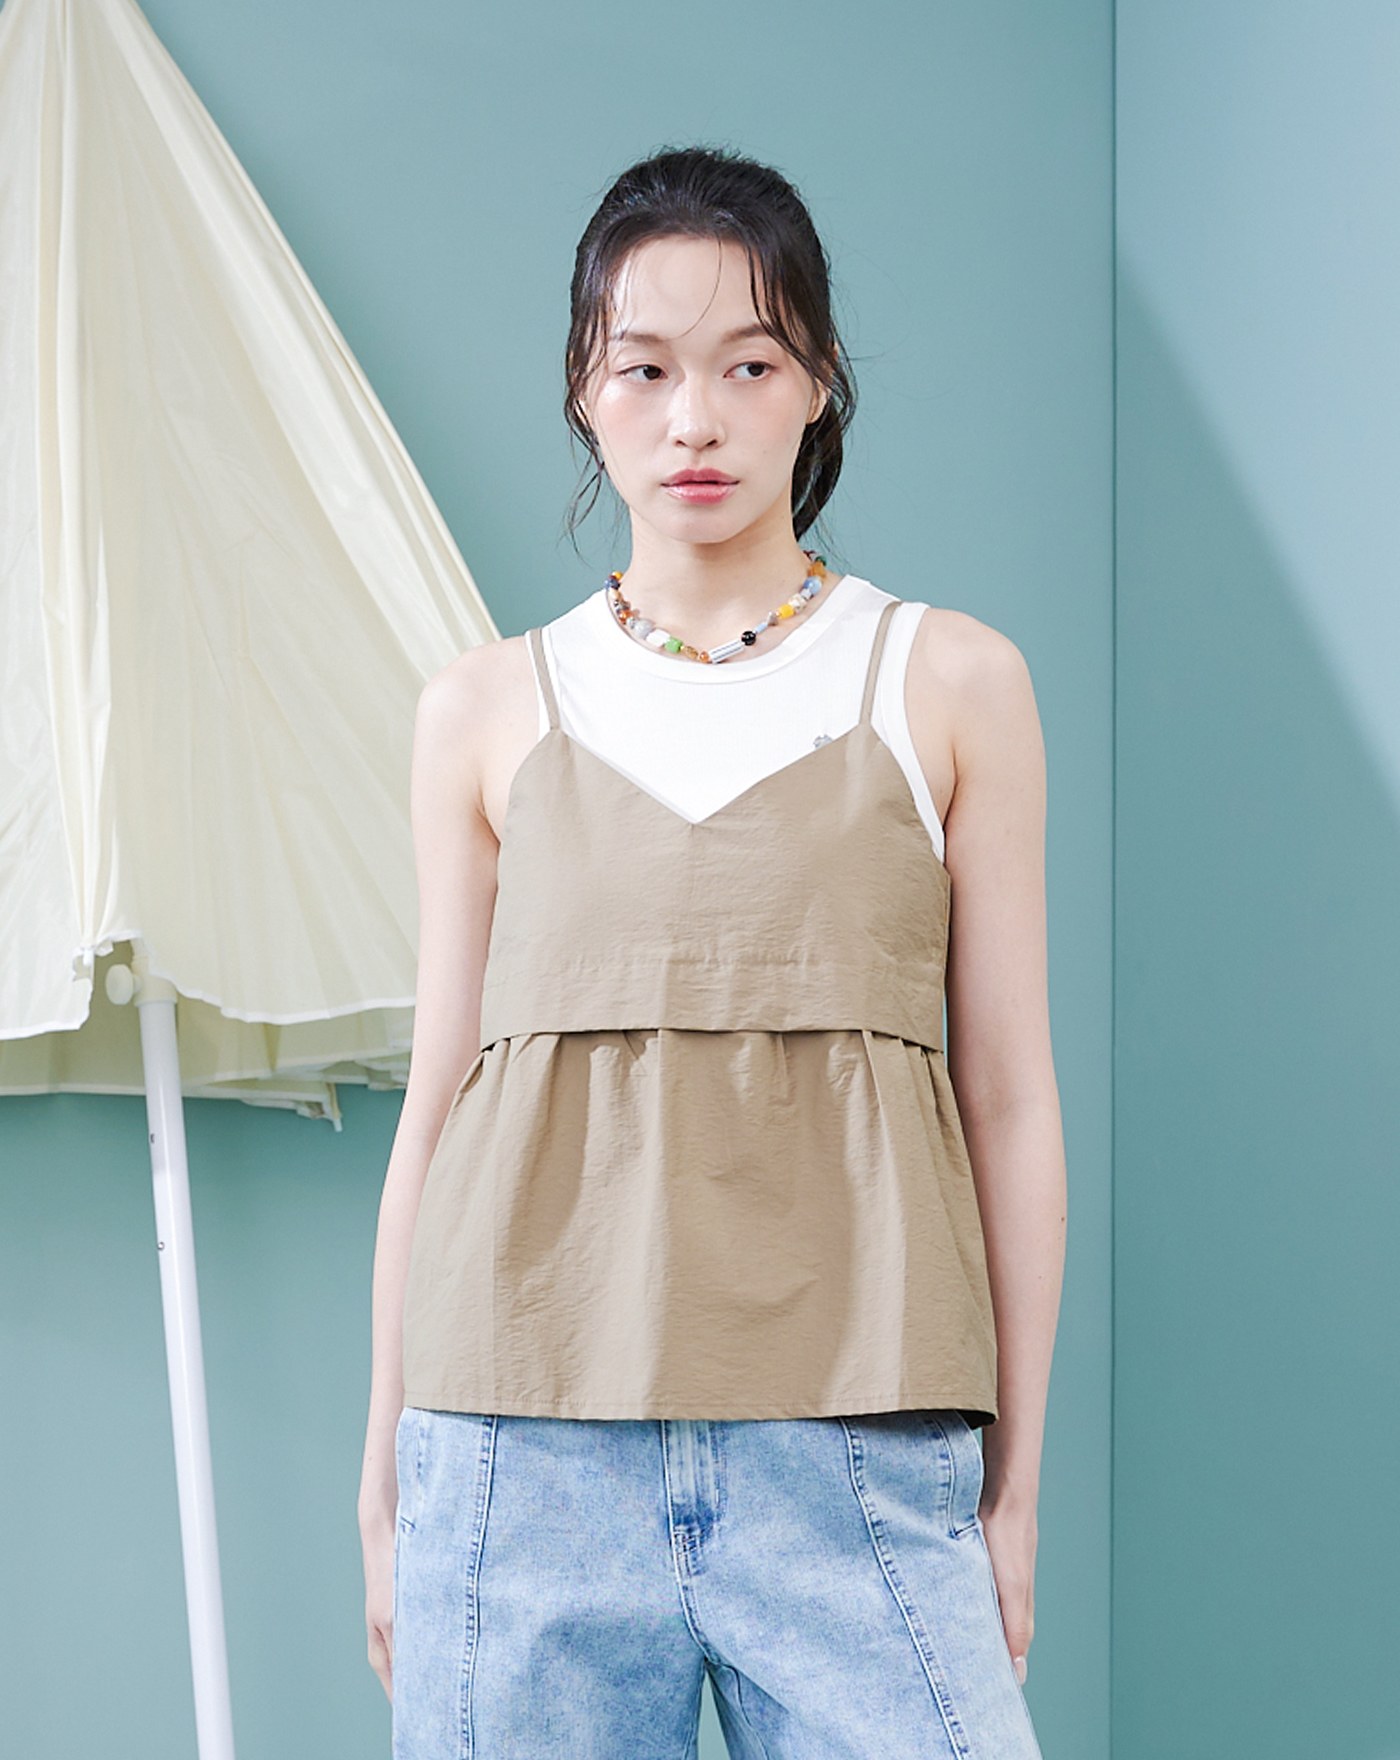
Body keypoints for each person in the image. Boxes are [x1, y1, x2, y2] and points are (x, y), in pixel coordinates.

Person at [359, 143, 1065, 1759]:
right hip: (516, 1455)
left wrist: (1015, 1487)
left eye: (750, 365)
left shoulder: (952, 681)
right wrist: (384, 1475)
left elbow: (1010, 1101)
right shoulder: (480, 708)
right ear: (583, 388)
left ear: (818, 383)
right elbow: (441, 1102)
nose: (696, 420)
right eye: (647, 369)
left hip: (861, 1450)